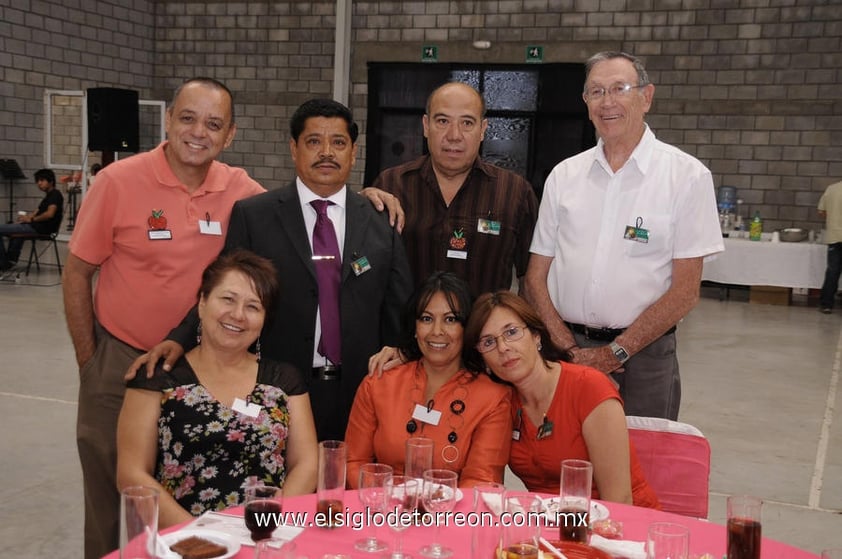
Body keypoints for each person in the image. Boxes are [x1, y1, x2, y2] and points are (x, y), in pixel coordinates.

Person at [63, 77, 265, 558]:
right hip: (121, 359)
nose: (199, 132)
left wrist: (368, 199)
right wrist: (91, 362)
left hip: (198, 369)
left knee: (182, 498)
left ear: (230, 135)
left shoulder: (239, 189)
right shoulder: (117, 182)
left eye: (213, 124)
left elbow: (298, 210)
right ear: (169, 119)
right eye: (189, 118)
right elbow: (77, 274)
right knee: (110, 497)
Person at [133, 98, 414, 442]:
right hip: (276, 384)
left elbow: (401, 307)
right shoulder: (255, 216)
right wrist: (179, 339)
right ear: (294, 149)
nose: (327, 152)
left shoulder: (381, 221)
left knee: (345, 489)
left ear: (354, 152)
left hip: (360, 387)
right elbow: (223, 292)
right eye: (313, 141)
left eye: (338, 142)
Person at [523, 51, 723, 420]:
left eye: (620, 88)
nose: (607, 102)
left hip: (645, 357)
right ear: (585, 104)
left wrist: (615, 352)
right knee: (566, 463)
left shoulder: (686, 177)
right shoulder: (564, 176)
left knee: (641, 467)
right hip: (567, 351)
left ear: (646, 97)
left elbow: (685, 292)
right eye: (596, 92)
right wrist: (567, 347)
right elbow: (536, 277)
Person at [116, 250, 317, 528]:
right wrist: (200, 537)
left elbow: (306, 463)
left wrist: (272, 523)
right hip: (183, 539)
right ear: (202, 303)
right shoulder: (157, 378)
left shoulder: (284, 380)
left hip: (266, 537)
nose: (237, 315)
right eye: (228, 299)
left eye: (253, 306)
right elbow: (131, 473)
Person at [464, 291, 659, 508]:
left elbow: (619, 500)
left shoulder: (588, 387)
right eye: (488, 342)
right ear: (483, 359)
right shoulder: (502, 402)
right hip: (552, 525)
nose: (503, 347)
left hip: (621, 526)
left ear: (536, 336)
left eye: (511, 332)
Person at [361, 81, 538, 295]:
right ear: (426, 126)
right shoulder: (391, 185)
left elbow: (532, 280)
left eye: (467, 123)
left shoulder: (515, 193)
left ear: (482, 129)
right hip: (405, 327)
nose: (454, 135)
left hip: (482, 327)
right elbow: (362, 265)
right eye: (443, 121)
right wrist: (358, 205)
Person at [345, 271, 512, 488]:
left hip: (452, 515)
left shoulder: (493, 399)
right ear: (415, 328)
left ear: (467, 328)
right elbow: (354, 462)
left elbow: (481, 481)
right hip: (383, 512)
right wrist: (386, 501)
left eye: (450, 319)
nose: (437, 331)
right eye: (426, 319)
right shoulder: (379, 383)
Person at [0, 168, 64, 270]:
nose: (39, 183)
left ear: (51, 181)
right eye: (37, 181)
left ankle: (3, 263)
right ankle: (9, 261)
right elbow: (36, 211)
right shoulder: (48, 196)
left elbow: (50, 214)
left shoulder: (55, 195)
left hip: (42, 228)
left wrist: (31, 220)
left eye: (42, 180)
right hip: (36, 226)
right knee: (16, 231)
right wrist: (26, 218)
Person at [818, 180, 842, 313]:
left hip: (834, 236)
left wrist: (834, 217)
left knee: (833, 271)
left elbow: (821, 212)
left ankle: (826, 304)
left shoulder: (831, 189)